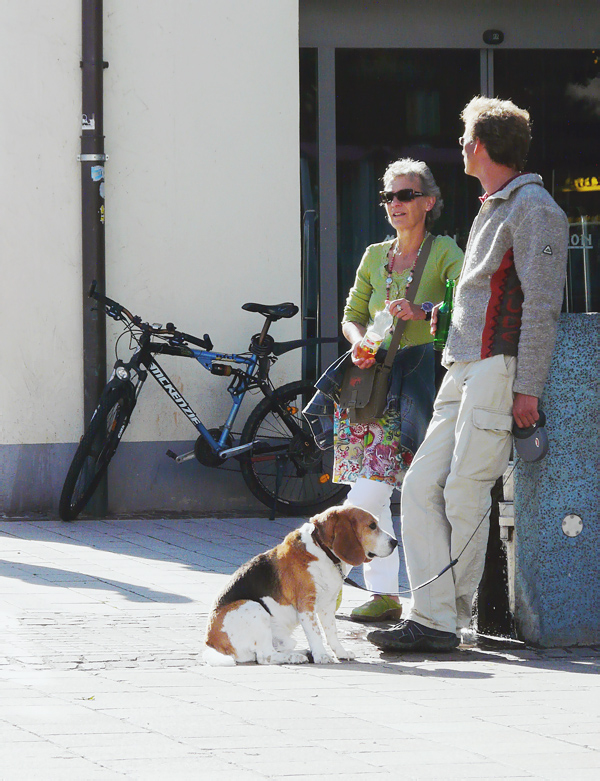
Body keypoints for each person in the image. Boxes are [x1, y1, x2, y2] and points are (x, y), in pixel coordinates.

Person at [367, 97, 569, 652]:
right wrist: (434, 318)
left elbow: (542, 306)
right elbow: (482, 296)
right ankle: (435, 616)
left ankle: (441, 619)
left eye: (463, 137)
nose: (459, 146)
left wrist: (527, 388)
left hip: (497, 369)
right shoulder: (495, 206)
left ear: (478, 146)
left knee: (462, 492)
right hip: (463, 367)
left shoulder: (535, 209)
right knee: (417, 487)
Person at [335, 158, 463, 622]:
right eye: (389, 196)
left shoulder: (445, 250)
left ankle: (322, 564)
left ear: (428, 202)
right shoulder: (374, 254)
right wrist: (358, 343)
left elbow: (466, 307)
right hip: (371, 387)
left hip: (417, 383)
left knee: (366, 495)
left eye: (405, 195)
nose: (395, 204)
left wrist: (424, 308)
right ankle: (384, 595)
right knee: (374, 486)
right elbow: (351, 313)